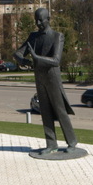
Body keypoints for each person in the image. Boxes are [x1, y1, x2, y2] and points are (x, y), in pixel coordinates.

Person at [14, 8, 78, 155]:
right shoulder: (33, 37)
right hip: (40, 77)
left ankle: (72, 141)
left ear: (48, 19)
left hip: (52, 78)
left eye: (40, 20)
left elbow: (56, 60)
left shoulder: (57, 36)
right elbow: (17, 53)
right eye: (36, 20)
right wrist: (23, 60)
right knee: (45, 112)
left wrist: (37, 58)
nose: (37, 23)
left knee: (60, 110)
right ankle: (51, 143)